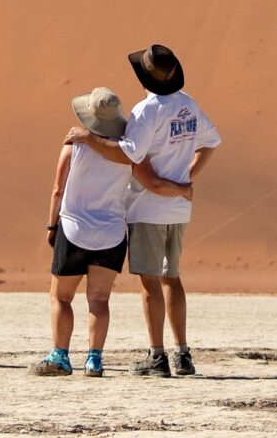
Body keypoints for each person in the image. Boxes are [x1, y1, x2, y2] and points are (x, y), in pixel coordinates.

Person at [66, 43, 220, 377]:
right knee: (173, 278)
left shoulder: (147, 110)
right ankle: (183, 354)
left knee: (151, 283)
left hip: (147, 207)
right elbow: (211, 143)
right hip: (178, 209)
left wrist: (88, 138)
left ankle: (157, 355)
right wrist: (187, 178)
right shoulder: (188, 104)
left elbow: (129, 155)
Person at [36, 87, 192, 377]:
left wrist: (52, 225)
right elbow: (152, 182)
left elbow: (58, 190)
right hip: (111, 235)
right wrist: (183, 189)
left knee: (61, 297)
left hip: (74, 229)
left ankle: (60, 355)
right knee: (98, 300)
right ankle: (94, 359)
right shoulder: (127, 153)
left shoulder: (73, 146)